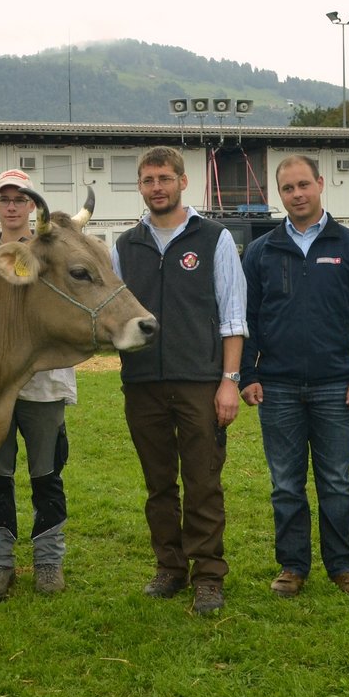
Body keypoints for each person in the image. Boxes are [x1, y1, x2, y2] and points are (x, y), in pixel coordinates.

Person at [240, 156, 349, 598]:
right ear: (278, 195)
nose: (297, 194)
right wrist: (248, 373)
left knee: (336, 482)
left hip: (337, 386)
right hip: (278, 387)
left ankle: (342, 567)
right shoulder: (261, 251)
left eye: (304, 184)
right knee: (285, 484)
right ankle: (292, 566)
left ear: (321, 184)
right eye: (288, 188)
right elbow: (246, 319)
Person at [112, 146, 247, 616]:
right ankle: (169, 568)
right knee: (159, 484)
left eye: (165, 178)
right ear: (141, 186)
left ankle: (208, 574)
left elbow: (233, 315)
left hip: (201, 381)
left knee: (203, 480)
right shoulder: (125, 246)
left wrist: (229, 380)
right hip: (143, 381)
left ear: (183, 182)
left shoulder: (215, 238)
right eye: (148, 180)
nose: (157, 187)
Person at [0, 169, 74, 601]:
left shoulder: (53, 255)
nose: (13, 205)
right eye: (5, 198)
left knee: (46, 474)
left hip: (44, 385)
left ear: (32, 206)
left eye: (21, 198)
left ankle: (49, 562)